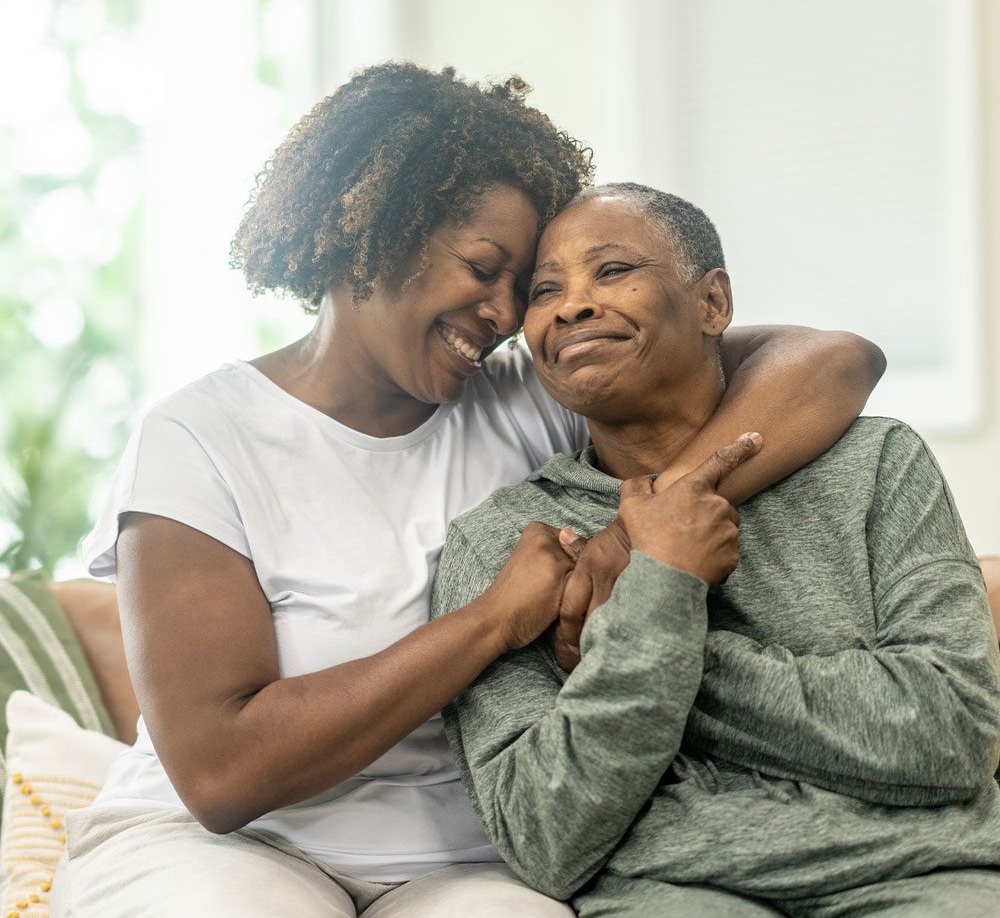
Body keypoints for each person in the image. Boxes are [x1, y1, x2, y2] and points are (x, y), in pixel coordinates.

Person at [53, 66, 884, 918]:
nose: (500, 314)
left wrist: (642, 528)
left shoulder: (527, 397)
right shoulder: (202, 435)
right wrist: (490, 620)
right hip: (226, 846)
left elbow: (833, 360)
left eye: (519, 289)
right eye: (482, 268)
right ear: (372, 232)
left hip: (467, 858)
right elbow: (224, 773)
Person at [432, 183, 1000, 917]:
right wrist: (667, 577)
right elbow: (545, 833)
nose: (572, 304)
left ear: (713, 304)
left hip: (931, 875)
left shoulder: (878, 461)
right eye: (547, 289)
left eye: (610, 271)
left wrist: (640, 624)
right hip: (680, 892)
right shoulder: (511, 543)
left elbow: (953, 733)